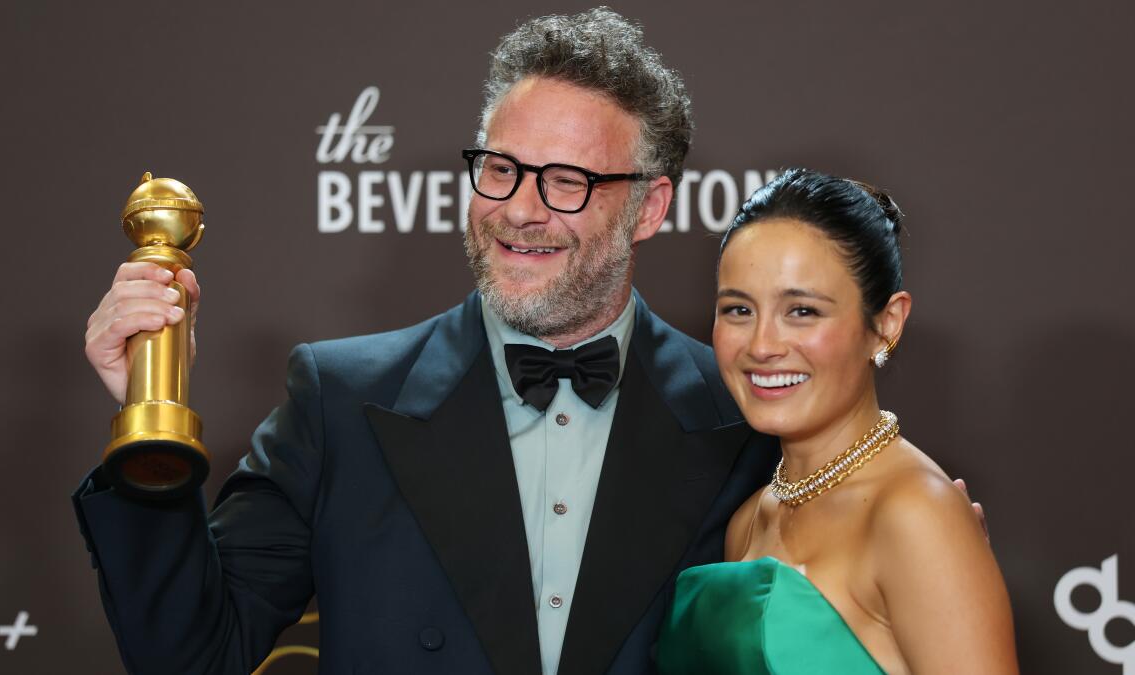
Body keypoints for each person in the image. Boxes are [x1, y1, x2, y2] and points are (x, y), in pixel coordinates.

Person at [74, 8, 780, 675]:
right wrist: (149, 414)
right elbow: (192, 656)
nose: (519, 210)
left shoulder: (743, 417)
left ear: (649, 208)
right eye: (501, 169)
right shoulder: (339, 402)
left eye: (566, 181)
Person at [656, 169, 1018, 674]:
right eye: (738, 310)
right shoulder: (751, 517)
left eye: (802, 311)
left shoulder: (915, 514)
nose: (762, 345)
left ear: (886, 324)